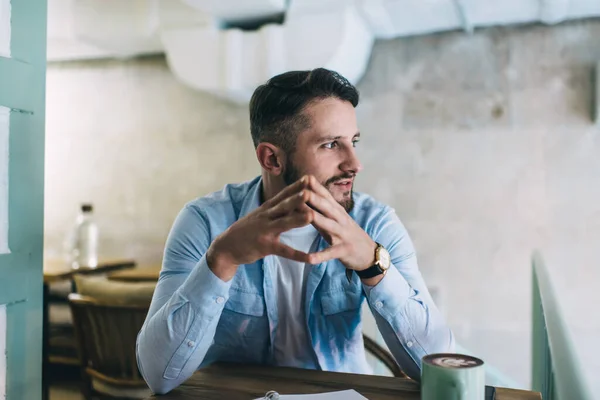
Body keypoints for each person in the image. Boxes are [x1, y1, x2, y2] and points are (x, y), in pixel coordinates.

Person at [136, 68, 454, 394]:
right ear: (272, 158)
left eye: (353, 142)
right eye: (331, 145)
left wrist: (374, 264)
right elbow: (158, 375)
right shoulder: (204, 222)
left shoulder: (375, 224)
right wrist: (222, 259)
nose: (354, 164)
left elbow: (441, 368)